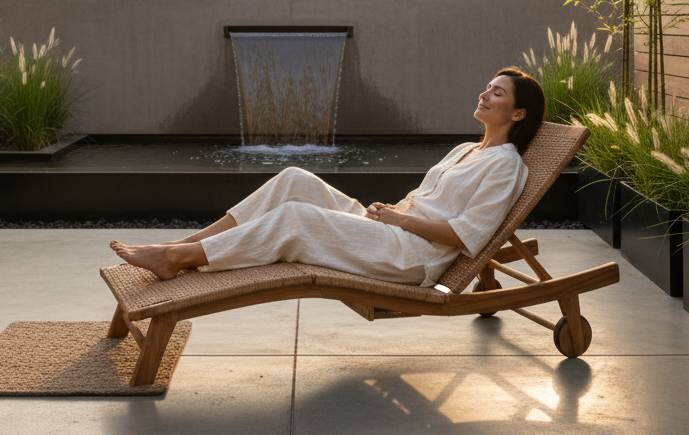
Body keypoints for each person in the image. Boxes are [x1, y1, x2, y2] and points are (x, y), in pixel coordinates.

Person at [110, 67, 545, 287]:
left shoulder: (505, 165)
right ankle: (182, 244)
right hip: (393, 230)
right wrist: (392, 211)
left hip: (410, 255)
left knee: (297, 217)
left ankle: (177, 261)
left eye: (497, 93)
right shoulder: (467, 150)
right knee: (294, 178)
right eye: (487, 88)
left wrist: (401, 221)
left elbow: (468, 235)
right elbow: (427, 202)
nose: (485, 95)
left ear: (518, 113)